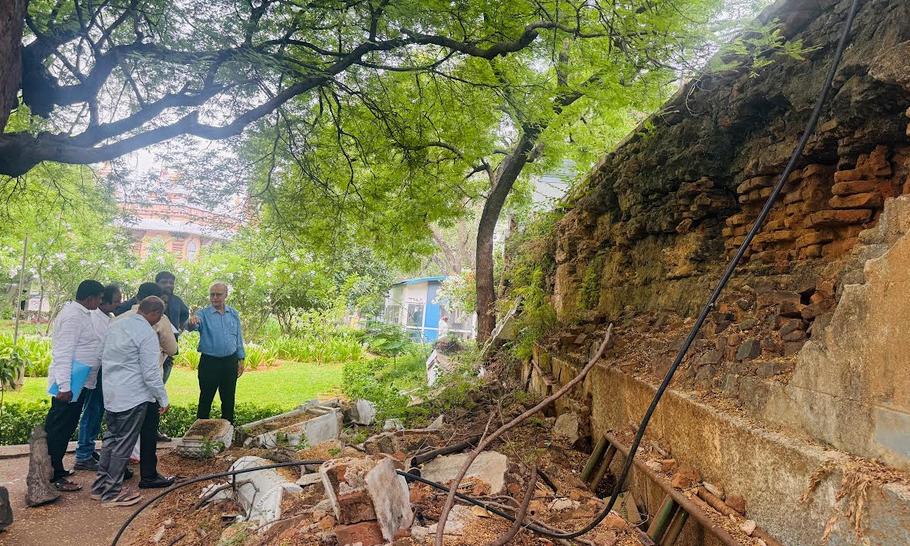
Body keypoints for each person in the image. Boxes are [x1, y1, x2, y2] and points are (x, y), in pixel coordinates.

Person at [92, 297, 174, 507]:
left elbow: (100, 355)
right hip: (134, 396)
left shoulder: (116, 324)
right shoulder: (146, 334)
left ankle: (100, 486)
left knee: (110, 440)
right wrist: (162, 398)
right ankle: (111, 493)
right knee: (124, 444)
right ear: (155, 313)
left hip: (112, 393)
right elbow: (150, 373)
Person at [44, 280, 106, 491]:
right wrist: (64, 386)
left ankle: (55, 468)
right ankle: (54, 474)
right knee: (59, 428)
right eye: (99, 298)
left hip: (78, 382)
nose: (100, 302)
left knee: (65, 426)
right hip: (69, 383)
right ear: (90, 298)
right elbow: (63, 351)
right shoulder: (72, 316)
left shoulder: (83, 314)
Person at [115, 282, 177, 451]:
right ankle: (147, 471)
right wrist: (163, 399)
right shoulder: (159, 320)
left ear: (137, 297)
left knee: (121, 428)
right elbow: (172, 349)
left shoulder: (119, 319)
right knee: (148, 424)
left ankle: (122, 464)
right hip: (147, 383)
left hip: (120, 382)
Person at [74, 283, 122, 471]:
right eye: (116, 301)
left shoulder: (108, 317)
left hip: (105, 370)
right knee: (92, 410)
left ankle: (88, 447)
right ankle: (83, 454)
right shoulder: (95, 318)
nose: (119, 304)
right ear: (103, 301)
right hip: (96, 370)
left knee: (97, 410)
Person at [187, 282, 245, 423]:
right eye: (212, 294)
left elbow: (238, 337)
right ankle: (200, 435)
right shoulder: (203, 314)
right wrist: (191, 322)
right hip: (210, 363)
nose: (214, 298)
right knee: (206, 398)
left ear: (226, 295)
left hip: (230, 362)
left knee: (228, 399)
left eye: (218, 294)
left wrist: (241, 358)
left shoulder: (233, 314)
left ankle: (228, 431)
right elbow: (192, 326)